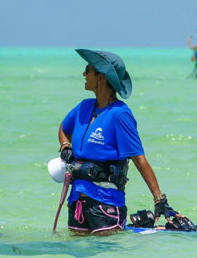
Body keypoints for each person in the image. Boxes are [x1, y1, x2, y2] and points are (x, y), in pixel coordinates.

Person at [57, 49, 181, 234]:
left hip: (106, 206)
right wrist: (65, 147)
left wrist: (159, 200)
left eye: (88, 70)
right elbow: (63, 129)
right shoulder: (83, 107)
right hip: (76, 204)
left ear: (102, 78)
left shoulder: (120, 115)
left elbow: (139, 160)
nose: (84, 74)